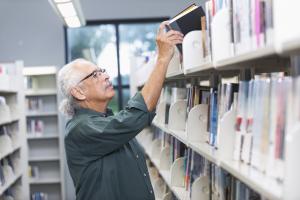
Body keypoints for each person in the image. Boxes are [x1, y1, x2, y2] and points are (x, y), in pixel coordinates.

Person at [58, 21, 183, 200]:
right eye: (95, 75)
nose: (107, 76)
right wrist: (162, 59)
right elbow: (136, 115)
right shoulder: (80, 129)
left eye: (101, 71)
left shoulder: (105, 119)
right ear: (78, 92)